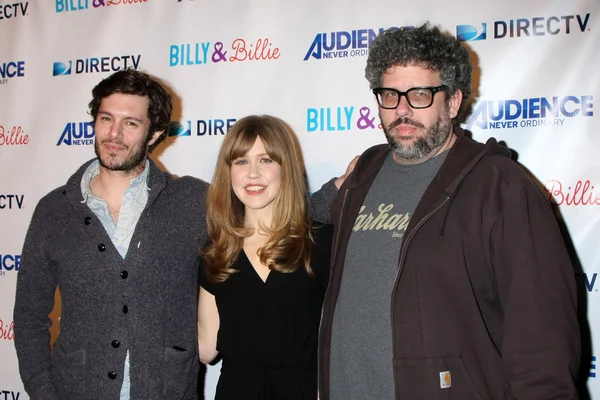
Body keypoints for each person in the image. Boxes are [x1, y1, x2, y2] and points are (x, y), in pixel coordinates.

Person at [315, 22, 581, 399]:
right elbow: (285, 233)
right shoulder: (362, 175)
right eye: (389, 95)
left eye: (420, 94)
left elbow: (543, 343)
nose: (402, 110)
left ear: (453, 101)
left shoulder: (499, 186)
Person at [13, 69, 207, 399]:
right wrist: (45, 393)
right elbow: (29, 317)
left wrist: (325, 199)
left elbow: (271, 213)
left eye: (130, 123)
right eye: (106, 118)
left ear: (154, 133)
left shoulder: (192, 201)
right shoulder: (54, 211)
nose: (114, 133)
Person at [197, 115, 333, 399]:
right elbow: (206, 348)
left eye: (266, 160)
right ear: (228, 171)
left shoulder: (321, 241)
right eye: (241, 161)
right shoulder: (216, 251)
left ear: (286, 167)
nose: (253, 174)